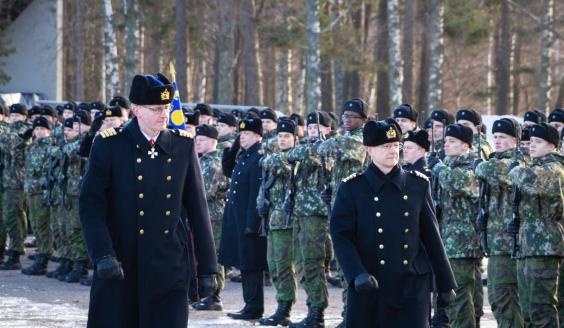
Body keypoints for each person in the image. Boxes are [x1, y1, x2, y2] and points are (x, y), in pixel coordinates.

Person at [79, 73, 217, 328]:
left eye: (165, 108)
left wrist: (208, 267)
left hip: (168, 264)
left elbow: (198, 209)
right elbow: (91, 205)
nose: (163, 114)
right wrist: (102, 254)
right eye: (155, 109)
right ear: (136, 110)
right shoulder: (110, 145)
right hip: (121, 261)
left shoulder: (182, 146)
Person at [330, 120, 456, 328]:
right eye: (385, 146)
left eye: (396, 145)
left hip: (412, 285)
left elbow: (431, 235)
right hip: (370, 283)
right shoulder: (352, 187)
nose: (392, 151)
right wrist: (356, 273)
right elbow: (341, 236)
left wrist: (445, 282)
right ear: (369, 149)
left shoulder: (418, 184)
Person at [508, 123, 564, 328]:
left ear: (552, 146)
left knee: (542, 308)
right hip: (527, 246)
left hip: (544, 247)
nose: (532, 146)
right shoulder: (535, 166)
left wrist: (515, 169)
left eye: (538, 142)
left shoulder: (554, 168)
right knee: (528, 309)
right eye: (530, 142)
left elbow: (526, 178)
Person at [475, 118, 527, 327]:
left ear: (515, 140)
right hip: (498, 241)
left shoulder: (516, 162)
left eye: (503, 137)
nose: (497, 141)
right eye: (495, 137)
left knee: (503, 298)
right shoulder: (497, 160)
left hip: (508, 242)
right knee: (501, 298)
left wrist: (479, 165)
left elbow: (492, 171)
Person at [428, 123, 481, 328]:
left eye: (452, 142)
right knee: (452, 296)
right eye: (446, 141)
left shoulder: (471, 166)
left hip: (464, 242)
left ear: (466, 146)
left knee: (459, 296)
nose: (446, 145)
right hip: (448, 239)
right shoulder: (448, 165)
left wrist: (438, 167)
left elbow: (456, 182)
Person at [286, 111, 333, 328]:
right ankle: (313, 308)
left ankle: (317, 313)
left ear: (328, 130)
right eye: (311, 128)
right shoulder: (308, 147)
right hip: (301, 212)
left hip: (317, 213)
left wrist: (308, 147)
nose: (313, 132)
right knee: (304, 263)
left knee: (313, 263)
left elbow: (312, 155)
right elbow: (291, 155)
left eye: (318, 128)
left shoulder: (329, 148)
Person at [219, 116, 267, 320]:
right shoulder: (245, 156)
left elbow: (257, 194)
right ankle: (250, 305)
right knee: (244, 264)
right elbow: (228, 171)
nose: (242, 137)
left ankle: (254, 307)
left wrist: (252, 224)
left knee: (251, 265)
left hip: (250, 222)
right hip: (237, 218)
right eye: (240, 133)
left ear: (257, 136)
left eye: (246, 134)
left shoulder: (258, 158)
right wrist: (232, 149)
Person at [258, 119, 299, 326]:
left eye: (287, 136)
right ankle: (281, 305)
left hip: (287, 221)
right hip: (273, 219)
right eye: (280, 136)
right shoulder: (274, 157)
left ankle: (285, 307)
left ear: (295, 139)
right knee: (274, 265)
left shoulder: (294, 159)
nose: (282, 140)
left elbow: (273, 163)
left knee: (283, 265)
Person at [192, 124, 229, 311]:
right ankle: (204, 293)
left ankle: (215, 295)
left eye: (202, 140)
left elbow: (207, 192)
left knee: (213, 256)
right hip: (203, 216)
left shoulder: (216, 164)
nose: (197, 142)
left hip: (213, 216)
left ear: (213, 141)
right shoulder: (200, 160)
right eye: (196, 139)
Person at [21, 117, 55, 275]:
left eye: (43, 129)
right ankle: (41, 254)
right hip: (31, 191)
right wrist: (24, 138)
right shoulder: (32, 146)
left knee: (43, 225)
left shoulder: (51, 146)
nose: (39, 131)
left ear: (49, 130)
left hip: (42, 191)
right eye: (37, 129)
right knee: (35, 224)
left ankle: (44, 258)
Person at [0, 104, 31, 270]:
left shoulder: (26, 131)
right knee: (9, 217)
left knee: (14, 217)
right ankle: (12, 250)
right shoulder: (9, 131)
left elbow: (12, 145)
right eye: (12, 116)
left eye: (17, 116)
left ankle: (16, 252)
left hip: (17, 182)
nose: (14, 119)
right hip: (7, 180)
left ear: (24, 117)